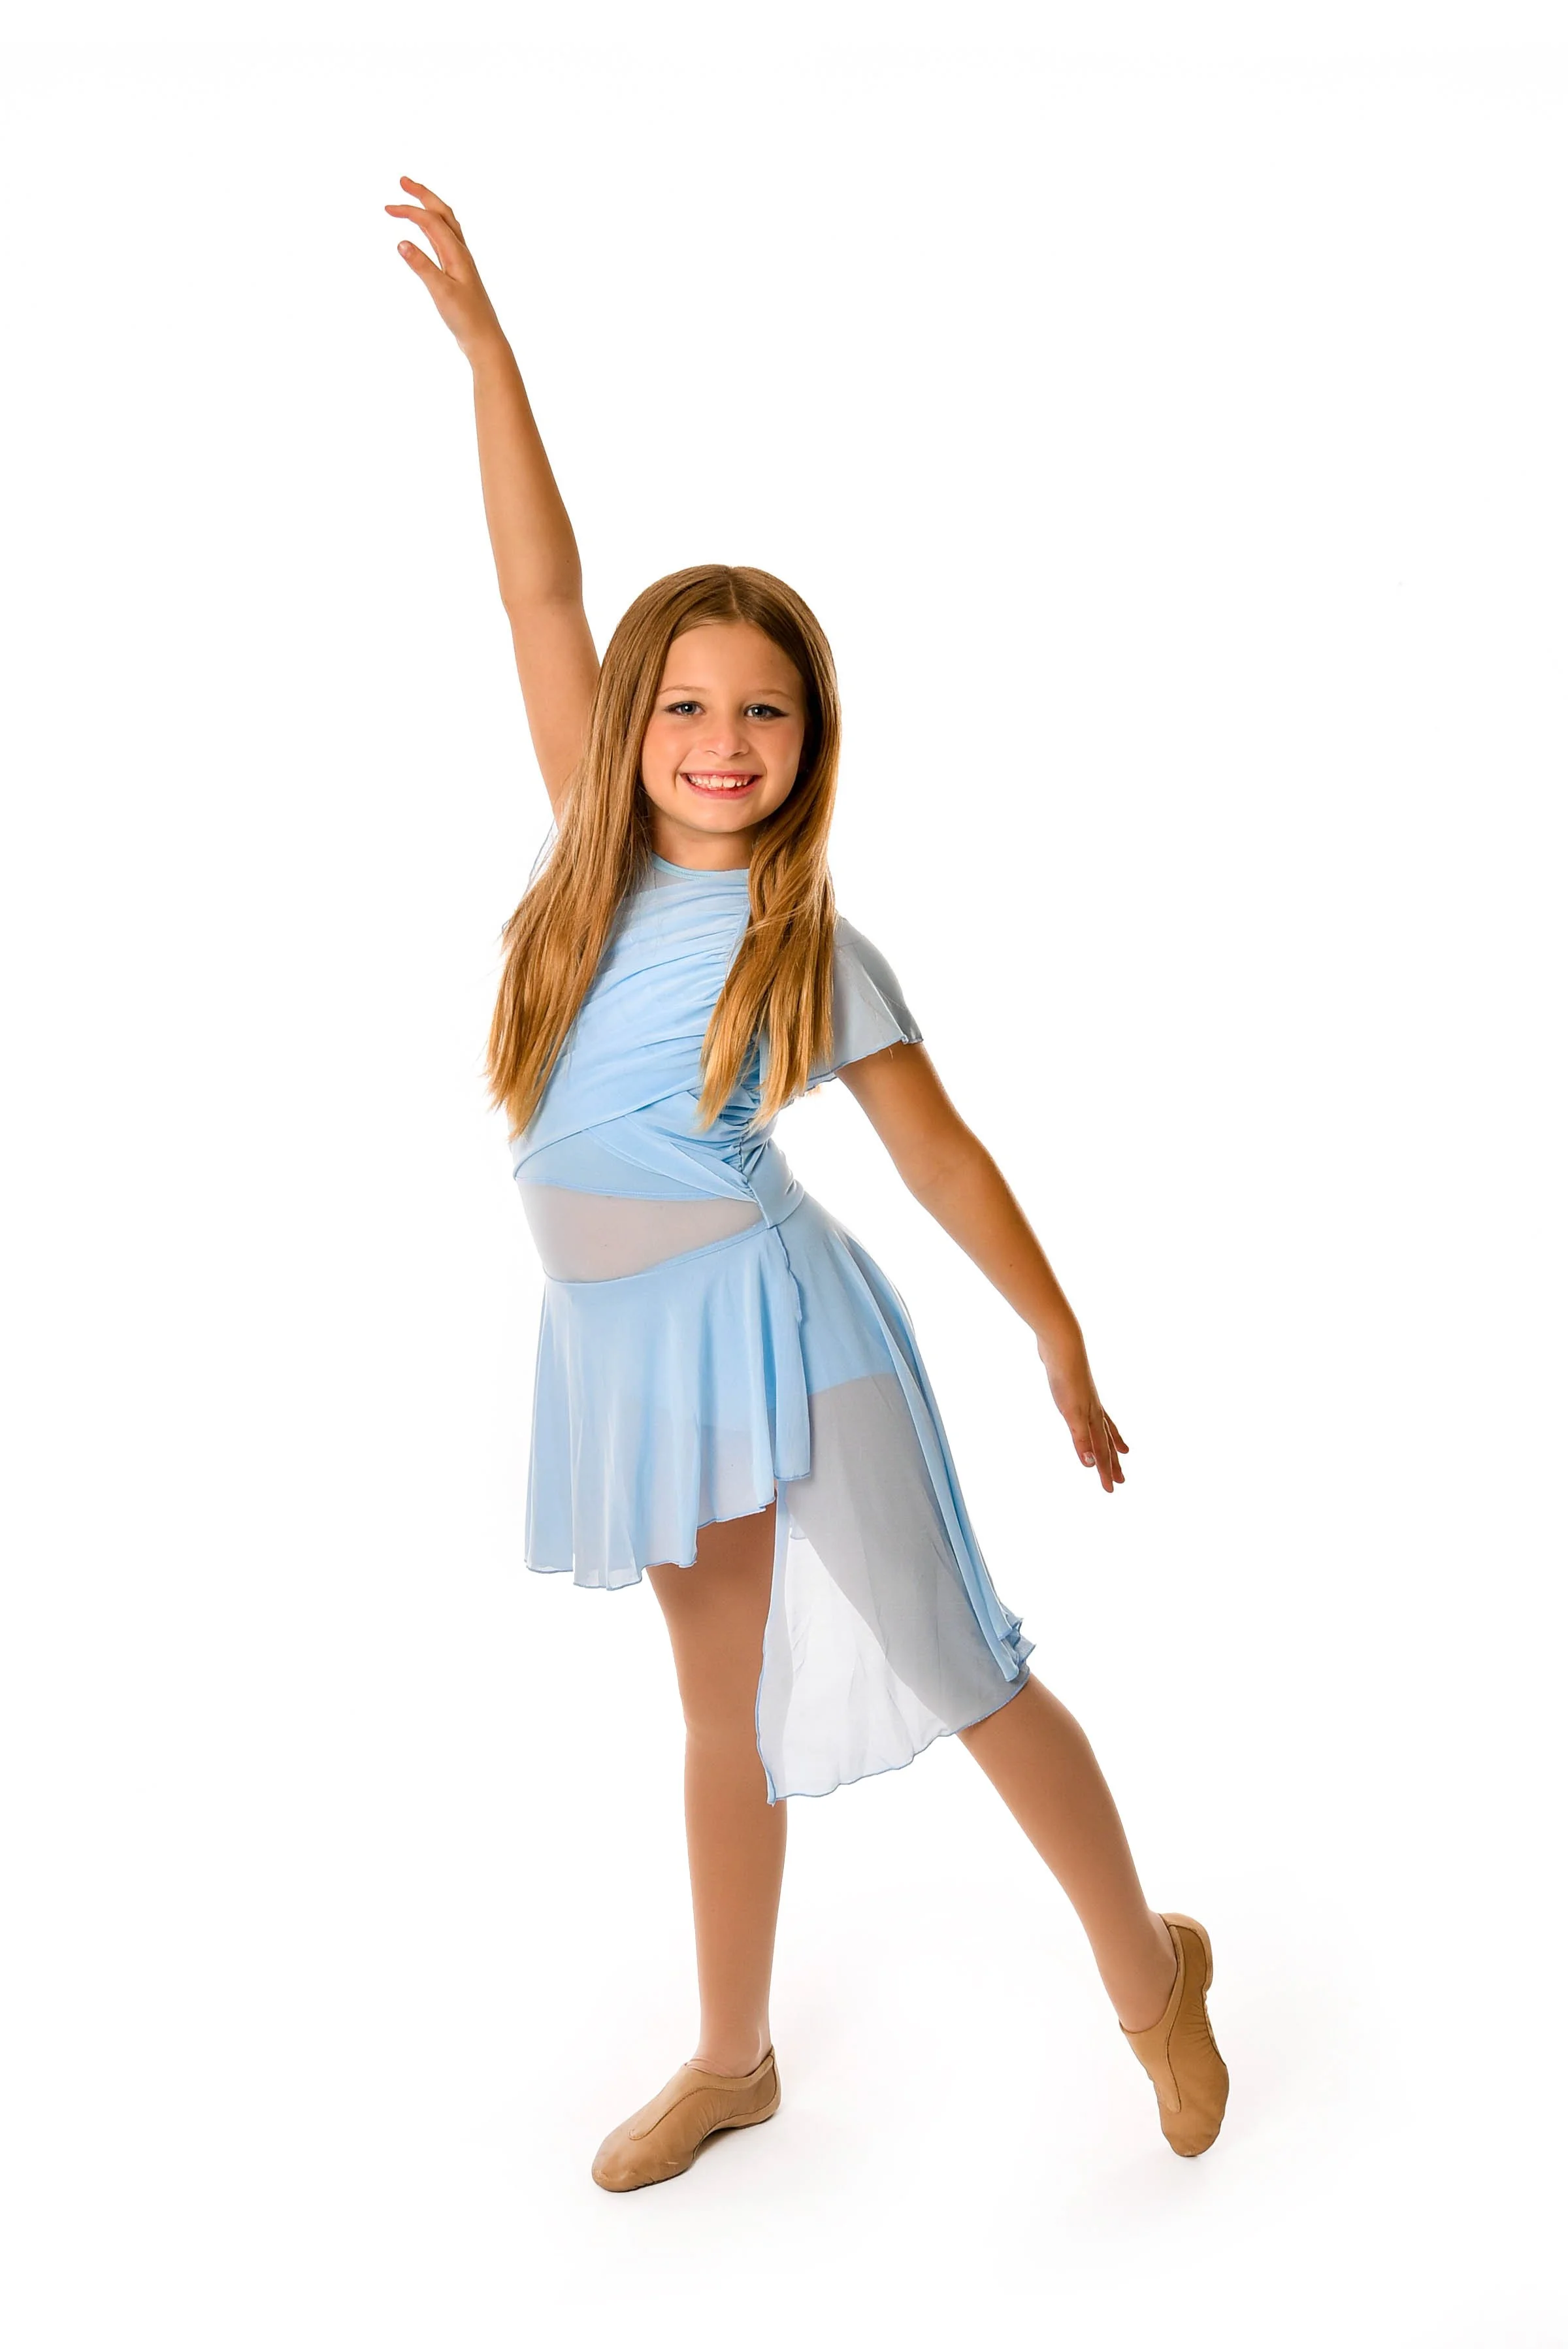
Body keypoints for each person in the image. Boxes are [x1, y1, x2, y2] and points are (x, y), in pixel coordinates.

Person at [386, 175, 1230, 2190]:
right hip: (626, 1347)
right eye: (682, 702)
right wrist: (495, 362)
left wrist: (1058, 1329)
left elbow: (942, 1155)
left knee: (958, 1661)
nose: (718, 735)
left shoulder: (807, 949)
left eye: (763, 709)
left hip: (786, 1327)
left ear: (811, 741)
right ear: (628, 728)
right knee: (715, 1709)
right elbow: (534, 590)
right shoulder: (582, 868)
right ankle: (734, 2055)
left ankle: (1150, 1981)